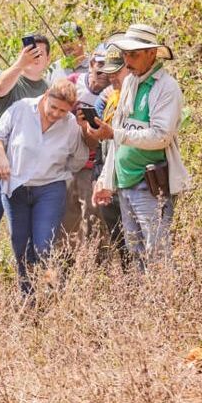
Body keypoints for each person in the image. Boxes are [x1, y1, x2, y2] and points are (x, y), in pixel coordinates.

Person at [91, 24, 190, 268]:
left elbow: (161, 136)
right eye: (126, 54)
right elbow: (118, 137)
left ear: (152, 53)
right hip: (125, 182)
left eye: (134, 54)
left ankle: (165, 303)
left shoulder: (166, 87)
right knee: (135, 252)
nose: (128, 60)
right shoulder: (129, 84)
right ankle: (144, 303)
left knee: (156, 252)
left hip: (150, 182)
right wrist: (106, 180)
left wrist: (114, 132)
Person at [0, 79, 92, 293]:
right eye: (53, 107)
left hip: (49, 188)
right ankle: (27, 294)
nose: (56, 114)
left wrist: (61, 170)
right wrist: (1, 156)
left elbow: (79, 158)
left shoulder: (71, 124)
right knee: (20, 244)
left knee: (43, 245)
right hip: (15, 186)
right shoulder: (22, 108)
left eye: (63, 111)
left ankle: (42, 291)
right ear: (45, 96)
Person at [0, 33, 51, 266]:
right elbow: (0, 89)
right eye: (31, 52)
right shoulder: (11, 78)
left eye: (40, 53)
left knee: (26, 238)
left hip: (26, 175)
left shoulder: (49, 90)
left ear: (48, 59)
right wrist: (20, 64)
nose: (35, 57)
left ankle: (28, 292)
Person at [60, 44, 110, 245]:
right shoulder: (73, 83)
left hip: (93, 165)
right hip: (65, 161)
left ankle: (97, 267)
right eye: (99, 69)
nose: (103, 76)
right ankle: (66, 267)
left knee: (93, 219)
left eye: (108, 71)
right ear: (90, 65)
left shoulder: (110, 95)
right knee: (65, 221)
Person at [92, 45, 129, 260]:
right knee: (120, 244)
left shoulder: (141, 97)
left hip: (134, 180)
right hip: (109, 178)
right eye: (110, 72)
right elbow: (98, 143)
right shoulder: (106, 100)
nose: (112, 77)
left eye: (118, 71)